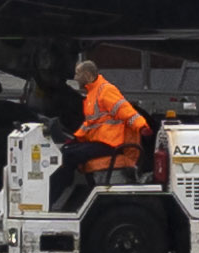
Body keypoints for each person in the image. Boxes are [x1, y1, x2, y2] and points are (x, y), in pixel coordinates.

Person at [51, 66, 150, 209]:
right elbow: (90, 125)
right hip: (101, 143)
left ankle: (51, 197)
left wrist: (142, 126)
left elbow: (125, 110)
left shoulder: (105, 91)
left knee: (68, 156)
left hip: (111, 144)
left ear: (87, 74)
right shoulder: (93, 94)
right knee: (66, 151)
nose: (75, 77)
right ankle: (56, 191)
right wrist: (74, 140)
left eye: (78, 74)